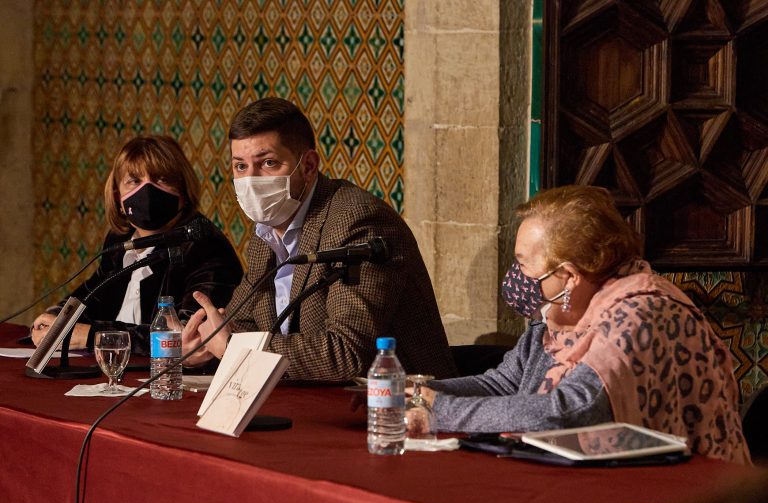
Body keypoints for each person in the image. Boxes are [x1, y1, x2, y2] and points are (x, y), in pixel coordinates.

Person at [412, 185, 750, 464]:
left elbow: (570, 412)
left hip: (691, 494)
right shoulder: (560, 313)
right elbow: (502, 384)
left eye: (523, 264)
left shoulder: (641, 315)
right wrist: (413, 395)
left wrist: (441, 410)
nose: (517, 277)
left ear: (570, 276)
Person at [181, 97, 457, 381]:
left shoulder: (357, 222)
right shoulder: (266, 232)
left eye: (268, 163)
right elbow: (244, 322)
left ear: (309, 165)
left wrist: (232, 348)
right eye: (240, 167)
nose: (251, 180)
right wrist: (203, 338)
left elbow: (345, 353)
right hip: (306, 400)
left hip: (393, 407)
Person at [30, 135, 243, 355]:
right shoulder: (120, 241)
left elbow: (187, 337)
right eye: (134, 181)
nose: (147, 192)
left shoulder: (204, 245)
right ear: (118, 197)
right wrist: (54, 319)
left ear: (183, 192)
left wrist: (94, 336)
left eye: (162, 179)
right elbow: (91, 295)